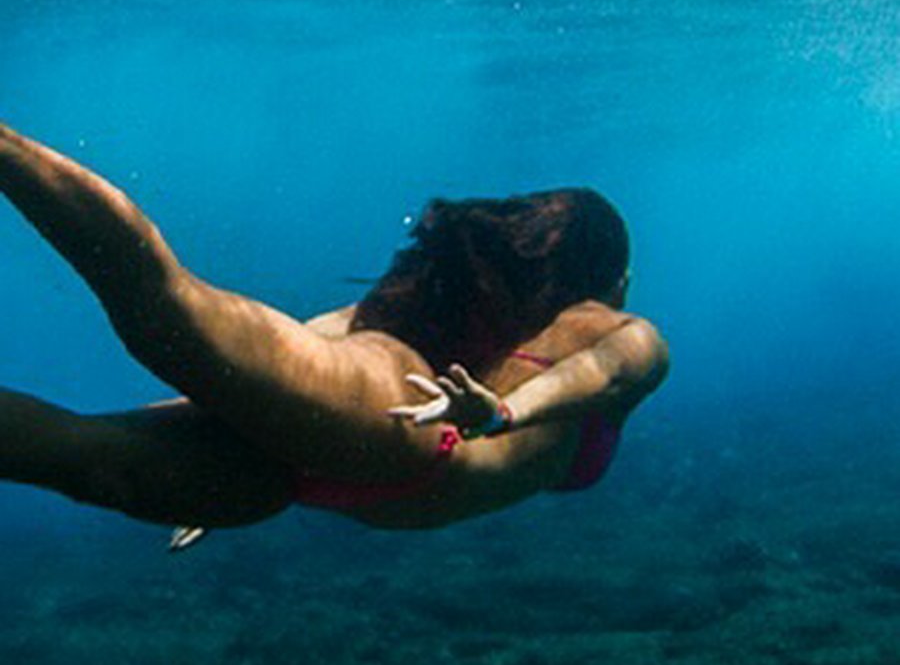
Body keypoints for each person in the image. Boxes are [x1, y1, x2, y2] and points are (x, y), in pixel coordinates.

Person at [0, 122, 668, 549]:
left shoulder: (553, 324)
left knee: (86, 457)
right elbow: (610, 370)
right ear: (616, 272)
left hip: (290, 477)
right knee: (165, 312)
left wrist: (260, 416)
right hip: (404, 440)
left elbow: (329, 340)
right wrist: (501, 414)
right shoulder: (614, 323)